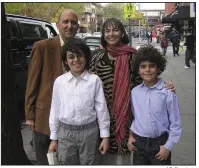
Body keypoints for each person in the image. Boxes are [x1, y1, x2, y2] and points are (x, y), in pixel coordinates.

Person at [90, 18, 176, 165]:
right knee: (103, 157)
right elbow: (88, 87)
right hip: (102, 119)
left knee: (124, 160)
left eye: (115, 30)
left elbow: (147, 79)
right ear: (103, 34)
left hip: (127, 117)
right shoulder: (96, 58)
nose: (111, 34)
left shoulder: (132, 56)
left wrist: (164, 86)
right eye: (107, 31)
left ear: (122, 32)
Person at [25, 9, 79, 164]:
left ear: (77, 26)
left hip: (71, 121)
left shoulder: (81, 50)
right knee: (46, 160)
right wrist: (29, 115)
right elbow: (32, 82)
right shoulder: (42, 47)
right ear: (58, 25)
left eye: (73, 22)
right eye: (65, 22)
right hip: (44, 118)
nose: (69, 26)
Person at [48, 38, 110, 165]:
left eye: (80, 55)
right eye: (71, 57)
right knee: (66, 162)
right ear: (66, 61)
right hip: (65, 133)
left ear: (86, 57)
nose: (76, 60)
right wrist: (54, 138)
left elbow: (101, 109)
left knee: (90, 163)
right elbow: (55, 110)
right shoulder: (60, 82)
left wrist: (105, 136)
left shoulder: (94, 80)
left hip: (90, 132)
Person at [128, 45, 182, 165]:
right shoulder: (135, 92)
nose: (147, 70)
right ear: (138, 70)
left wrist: (168, 146)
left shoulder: (167, 92)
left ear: (158, 69)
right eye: (143, 67)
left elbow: (176, 123)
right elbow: (136, 118)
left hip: (160, 145)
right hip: (139, 144)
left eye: (152, 66)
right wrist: (131, 136)